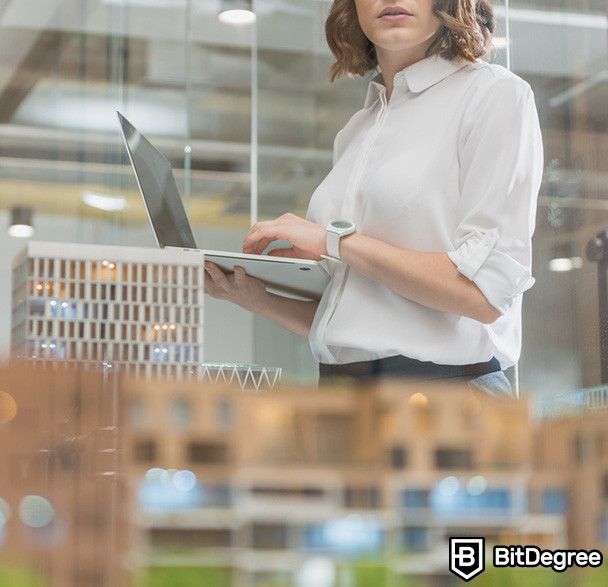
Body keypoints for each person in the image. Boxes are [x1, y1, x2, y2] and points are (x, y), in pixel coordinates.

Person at [203, 0, 542, 396]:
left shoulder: (495, 95)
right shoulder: (356, 130)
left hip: (448, 400)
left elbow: (483, 295)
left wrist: (335, 242)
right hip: (344, 396)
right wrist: (252, 297)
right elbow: (360, 323)